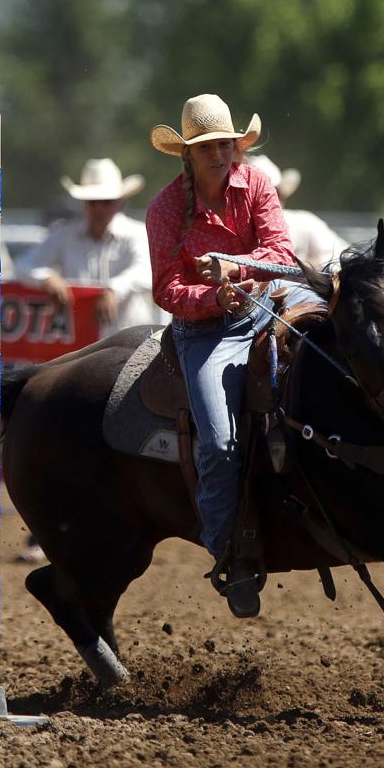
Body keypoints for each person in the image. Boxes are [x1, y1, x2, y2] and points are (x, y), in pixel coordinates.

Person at [146, 94, 321, 618]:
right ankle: (227, 551)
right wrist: (211, 298)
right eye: (209, 147)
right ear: (189, 155)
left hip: (268, 310)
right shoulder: (166, 209)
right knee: (220, 443)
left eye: (226, 144)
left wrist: (232, 269)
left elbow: (279, 254)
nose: (221, 154)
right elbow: (166, 287)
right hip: (205, 334)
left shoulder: (257, 186)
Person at [14, 158, 163, 340]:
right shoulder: (64, 234)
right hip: (80, 346)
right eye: (92, 202)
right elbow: (24, 264)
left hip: (130, 341)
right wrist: (48, 278)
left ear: (120, 202)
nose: (99, 208)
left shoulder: (136, 233)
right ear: (84, 203)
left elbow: (145, 271)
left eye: (106, 202)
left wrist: (114, 289)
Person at [245, 155, 350, 268]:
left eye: (276, 194)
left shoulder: (303, 222)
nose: (272, 200)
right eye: (263, 195)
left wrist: (308, 267)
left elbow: (345, 257)